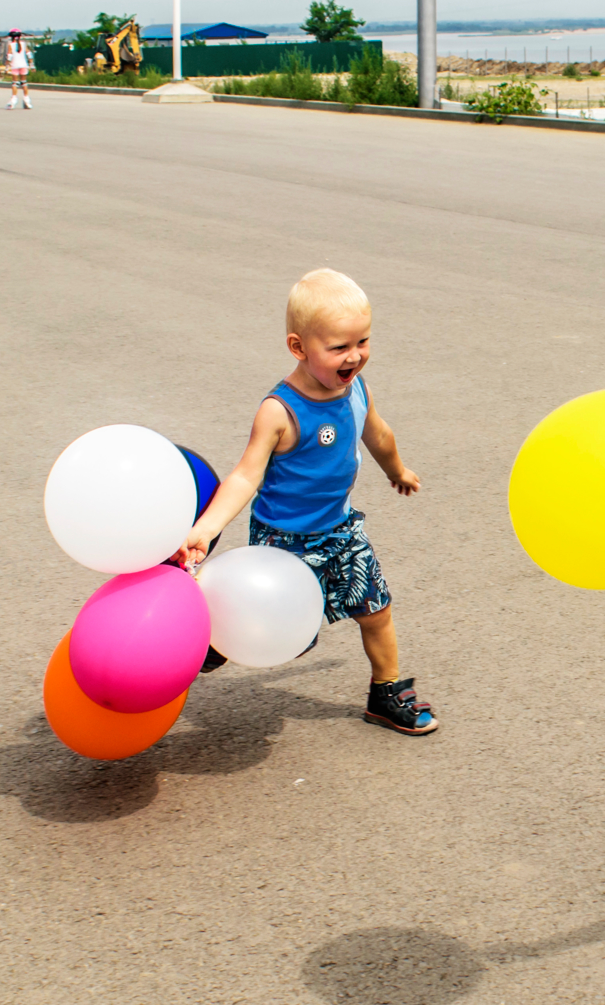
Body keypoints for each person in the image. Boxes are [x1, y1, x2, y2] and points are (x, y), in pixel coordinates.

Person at [176, 269, 438, 736]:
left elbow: (376, 433)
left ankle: (386, 691)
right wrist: (205, 529)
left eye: (363, 341)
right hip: (285, 541)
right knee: (293, 637)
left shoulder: (357, 388)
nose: (354, 356)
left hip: (341, 530)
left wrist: (396, 470)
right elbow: (244, 475)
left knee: (376, 609)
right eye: (338, 347)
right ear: (298, 347)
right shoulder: (280, 410)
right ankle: (219, 634)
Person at [3, 29, 32, 109]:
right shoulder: (23, 44)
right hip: (23, 65)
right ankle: (26, 100)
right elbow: (29, 54)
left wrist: (6, 67)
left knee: (15, 83)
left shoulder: (11, 45)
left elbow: (9, 56)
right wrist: (32, 65)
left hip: (15, 66)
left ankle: (13, 99)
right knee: (24, 83)